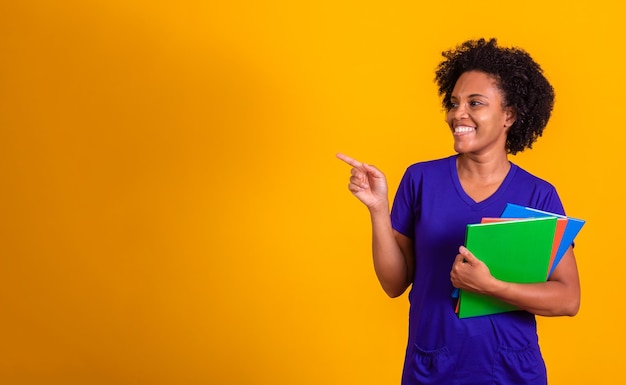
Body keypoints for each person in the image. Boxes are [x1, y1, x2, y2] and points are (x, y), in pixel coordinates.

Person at [337, 38, 580, 385]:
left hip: (511, 372)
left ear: (508, 115)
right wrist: (377, 209)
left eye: (475, 103)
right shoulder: (420, 179)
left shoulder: (538, 195)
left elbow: (568, 298)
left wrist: (492, 286)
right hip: (433, 366)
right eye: (453, 103)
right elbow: (393, 284)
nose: (457, 114)